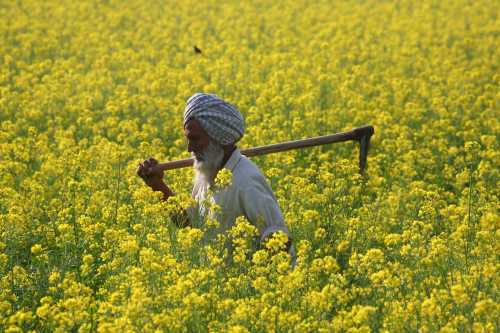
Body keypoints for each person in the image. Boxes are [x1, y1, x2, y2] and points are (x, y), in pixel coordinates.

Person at [137, 93, 296, 266]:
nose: (189, 148)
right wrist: (157, 185)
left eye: (195, 139)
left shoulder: (246, 180)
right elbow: (190, 225)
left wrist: (262, 280)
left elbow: (279, 238)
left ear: (218, 137)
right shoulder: (206, 174)